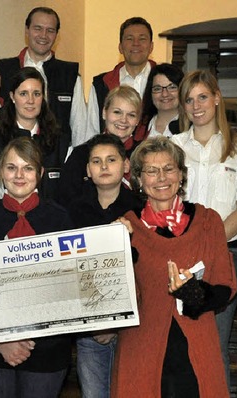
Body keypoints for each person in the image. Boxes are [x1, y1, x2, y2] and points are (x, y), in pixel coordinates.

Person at [112, 137, 236, 397]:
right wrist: (121, 250)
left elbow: (226, 288)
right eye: (151, 171)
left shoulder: (208, 221)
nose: (161, 177)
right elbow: (116, 297)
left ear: (181, 175)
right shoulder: (125, 227)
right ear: (138, 180)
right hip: (141, 348)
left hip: (195, 347)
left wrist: (193, 293)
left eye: (169, 168)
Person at [0, 137, 73, 398]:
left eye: (28, 168)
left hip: (48, 346)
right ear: (1, 172)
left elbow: (68, 287)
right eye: (11, 167)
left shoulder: (60, 218)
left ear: (41, 173)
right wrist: (2, 340)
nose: (19, 175)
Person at [170, 70, 237, 385]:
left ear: (217, 98)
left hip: (224, 259)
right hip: (177, 259)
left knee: (213, 347)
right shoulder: (172, 146)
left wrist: (206, 245)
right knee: (177, 347)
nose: (196, 105)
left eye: (203, 96)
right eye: (189, 100)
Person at [67, 133, 143, 398]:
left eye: (111, 160)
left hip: (134, 328)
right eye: (96, 161)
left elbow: (146, 269)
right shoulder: (72, 211)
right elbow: (70, 269)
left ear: (125, 165)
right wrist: (99, 323)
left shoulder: (141, 209)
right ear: (88, 169)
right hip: (90, 327)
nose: (103, 166)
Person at [0, 7, 88, 146]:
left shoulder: (70, 75)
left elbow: (80, 128)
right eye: (38, 28)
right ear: (27, 30)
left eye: (50, 30)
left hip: (57, 159)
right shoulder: (4, 70)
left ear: (57, 35)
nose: (43, 35)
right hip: (13, 156)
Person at [0, 67, 71, 202]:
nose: (31, 100)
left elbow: (66, 191)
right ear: (12, 97)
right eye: (23, 94)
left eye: (36, 94)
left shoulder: (61, 142)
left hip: (54, 219)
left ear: (43, 97)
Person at [59, 86, 141, 207]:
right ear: (104, 113)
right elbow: (65, 198)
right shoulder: (82, 154)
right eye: (117, 112)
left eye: (131, 115)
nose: (123, 120)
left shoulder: (144, 155)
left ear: (138, 120)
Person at [87, 17, 156, 139]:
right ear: (120, 47)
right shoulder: (101, 84)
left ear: (151, 46)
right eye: (129, 38)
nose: (136, 43)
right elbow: (92, 131)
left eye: (142, 38)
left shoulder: (164, 83)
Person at [138, 63, 184, 140]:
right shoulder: (139, 128)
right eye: (157, 89)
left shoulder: (193, 128)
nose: (165, 94)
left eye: (172, 87)